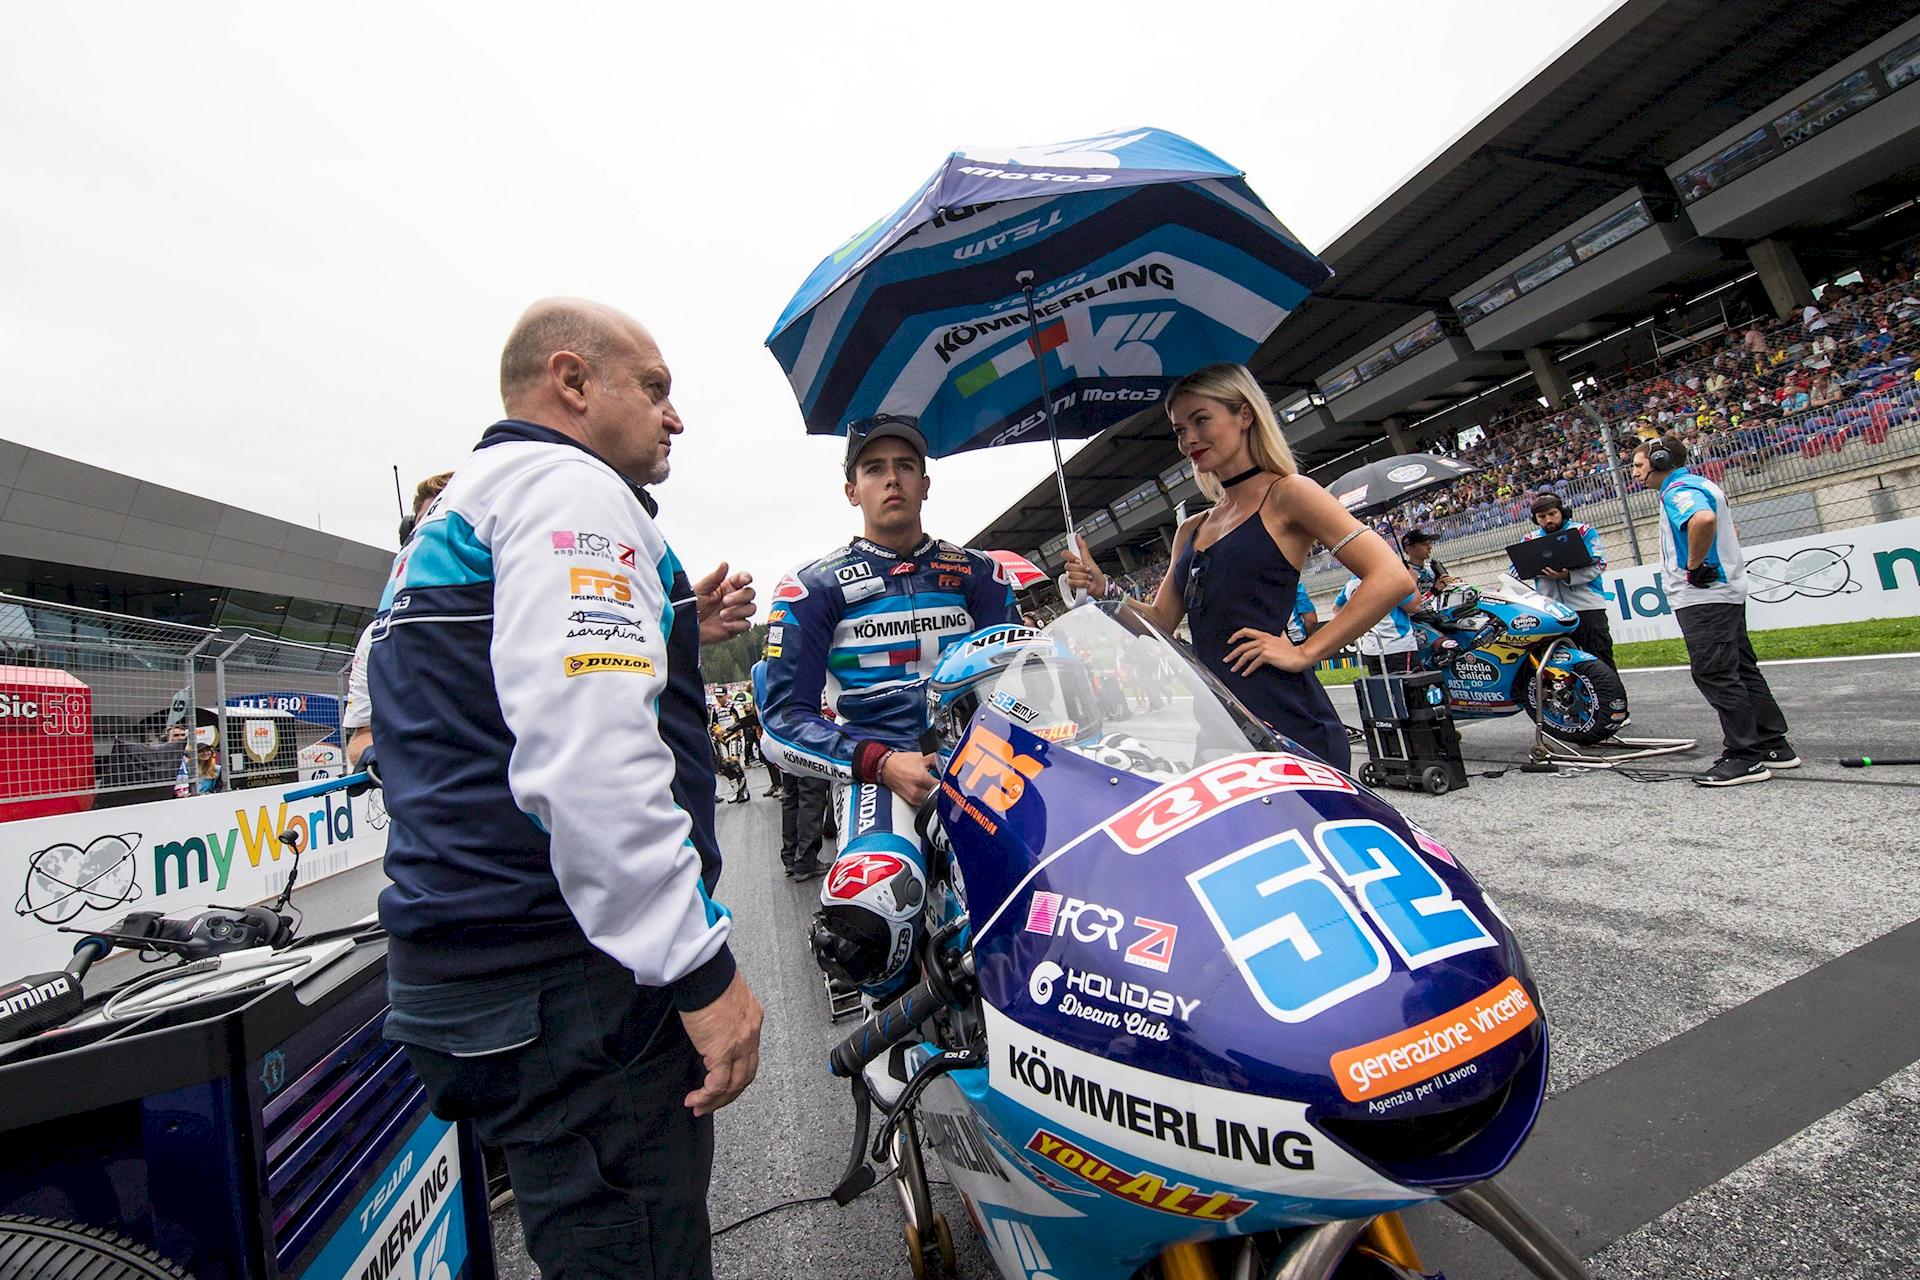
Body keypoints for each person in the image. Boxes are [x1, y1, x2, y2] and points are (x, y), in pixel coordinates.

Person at [367, 298, 763, 1280]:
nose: (676, 418)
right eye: (657, 388)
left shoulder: (457, 512)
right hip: (571, 985)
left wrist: (668, 624)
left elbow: (439, 713)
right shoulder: (568, 489)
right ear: (573, 382)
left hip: (468, 972)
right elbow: (591, 761)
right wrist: (700, 970)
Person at [758, 414, 1017, 1000]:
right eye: (874, 469)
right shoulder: (810, 588)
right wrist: (880, 763)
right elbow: (779, 724)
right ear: (852, 490)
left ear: (927, 483)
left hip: (981, 765)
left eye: (905, 467)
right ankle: (894, 1046)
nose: (891, 480)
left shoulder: (980, 574)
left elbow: (1022, 684)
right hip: (878, 774)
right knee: (870, 909)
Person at [1061, 363, 1413, 772]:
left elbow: (1391, 577)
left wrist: (1306, 652)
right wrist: (1105, 589)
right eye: (1178, 429)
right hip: (1218, 728)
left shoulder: (1289, 494)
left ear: (1244, 415)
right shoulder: (1191, 528)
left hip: (1290, 725)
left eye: (1201, 420)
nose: (1189, 438)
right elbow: (1159, 622)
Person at [1631, 433, 1796, 786]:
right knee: (1740, 667)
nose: (1634, 473)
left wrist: (1694, 565)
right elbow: (1727, 526)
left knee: (1715, 673)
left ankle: (1745, 755)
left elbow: (1703, 521)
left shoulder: (1678, 490)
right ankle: (1773, 744)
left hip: (1704, 597)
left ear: (1661, 462)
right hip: (1726, 592)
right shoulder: (1699, 482)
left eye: (1639, 465)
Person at [344, 471, 454, 769]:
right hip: (421, 807)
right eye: (426, 528)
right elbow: (362, 735)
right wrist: (375, 758)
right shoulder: (378, 635)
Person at [1523, 493, 1615, 669]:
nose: (1548, 520)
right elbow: (1515, 569)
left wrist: (1567, 576)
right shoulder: (1529, 540)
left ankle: (1613, 697)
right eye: (1542, 517)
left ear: (1562, 512)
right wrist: (1536, 571)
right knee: (1561, 665)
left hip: (1588, 606)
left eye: (1552, 514)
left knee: (1600, 657)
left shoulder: (1584, 531)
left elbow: (1599, 563)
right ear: (1535, 519)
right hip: (1552, 612)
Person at [1336, 575, 1420, 675]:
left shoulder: (1351, 584)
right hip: (1398, 645)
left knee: (1379, 688)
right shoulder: (1388, 578)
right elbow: (1415, 606)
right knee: (1407, 688)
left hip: (1370, 649)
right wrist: (1410, 579)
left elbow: (1337, 608)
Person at [1401, 529, 1454, 604]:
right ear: (1409, 548)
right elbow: (1412, 606)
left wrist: (1452, 585)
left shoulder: (1434, 567)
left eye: (1430, 543)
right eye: (1424, 544)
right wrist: (1434, 591)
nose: (1429, 547)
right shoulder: (1403, 572)